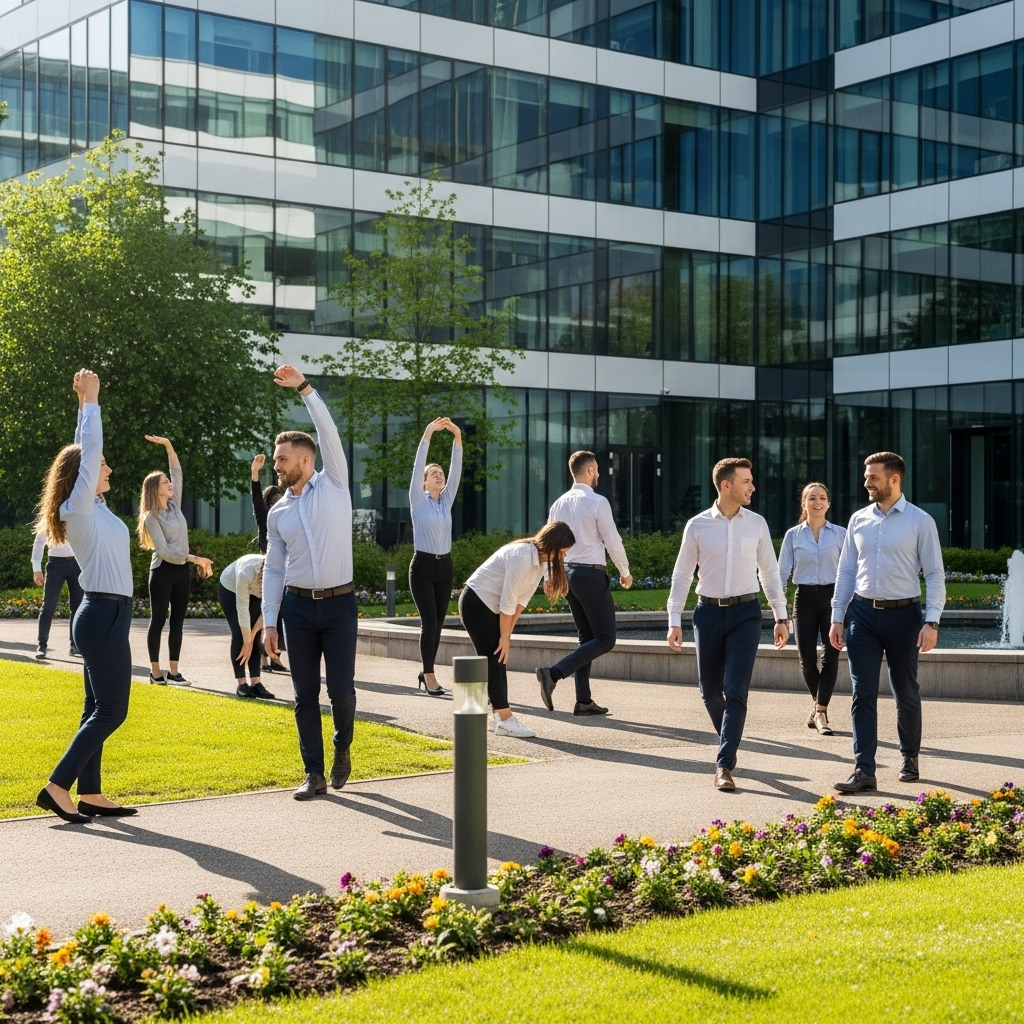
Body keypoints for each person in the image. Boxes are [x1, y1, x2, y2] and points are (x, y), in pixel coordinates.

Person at [35, 370, 137, 823]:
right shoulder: (76, 507)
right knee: (113, 710)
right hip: (102, 615)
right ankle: (58, 785)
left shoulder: (94, 506)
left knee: (97, 707)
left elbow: (83, 450)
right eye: (103, 466)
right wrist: (92, 400)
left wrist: (82, 407)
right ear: (83, 478)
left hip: (107, 613)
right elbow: (88, 451)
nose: (109, 469)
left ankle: (91, 793)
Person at [262, 365, 358, 801]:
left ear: (305, 460)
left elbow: (328, 429)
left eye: (281, 458)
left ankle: (342, 749)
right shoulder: (277, 512)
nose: (276, 465)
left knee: (340, 690)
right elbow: (274, 569)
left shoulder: (335, 483)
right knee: (304, 695)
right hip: (297, 609)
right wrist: (268, 622)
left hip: (339, 607)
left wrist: (304, 388)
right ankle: (313, 773)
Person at [666, 458, 789, 792]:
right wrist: (674, 618)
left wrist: (781, 615)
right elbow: (681, 574)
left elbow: (770, 572)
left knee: (736, 691)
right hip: (707, 613)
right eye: (747, 481)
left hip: (746, 614)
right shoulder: (697, 525)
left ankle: (724, 764)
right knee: (709, 691)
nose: (752, 487)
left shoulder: (757, 524)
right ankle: (729, 741)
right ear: (726, 485)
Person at [829, 452, 945, 793]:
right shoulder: (858, 520)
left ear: (894, 479)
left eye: (873, 477)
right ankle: (864, 768)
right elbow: (847, 570)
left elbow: (935, 574)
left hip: (904, 617)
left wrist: (932, 622)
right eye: (866, 476)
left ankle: (909, 756)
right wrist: (838, 616)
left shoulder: (920, 521)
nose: (866, 482)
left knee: (905, 691)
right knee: (862, 692)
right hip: (862, 615)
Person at [535, 451, 633, 716]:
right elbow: (613, 540)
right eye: (597, 470)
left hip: (566, 575)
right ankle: (553, 674)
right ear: (589, 471)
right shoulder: (597, 502)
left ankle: (584, 700)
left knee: (587, 637)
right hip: (589, 574)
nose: (598, 474)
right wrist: (625, 570)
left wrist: (548, 577)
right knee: (605, 638)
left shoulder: (558, 504)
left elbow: (547, 543)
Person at [458, 521, 576, 738]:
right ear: (553, 544)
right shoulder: (522, 556)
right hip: (477, 603)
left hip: (491, 607)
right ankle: (505, 718)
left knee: (497, 659)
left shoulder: (538, 563)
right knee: (495, 659)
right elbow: (508, 601)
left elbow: (521, 602)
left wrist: (507, 635)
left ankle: (499, 716)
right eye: (563, 551)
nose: (564, 557)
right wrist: (503, 637)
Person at [137, 436, 213, 684]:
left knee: (178, 621)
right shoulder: (151, 516)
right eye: (165, 482)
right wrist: (195, 558)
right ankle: (155, 672)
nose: (170, 484)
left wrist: (169, 445)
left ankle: (174, 671)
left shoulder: (175, 505)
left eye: (168, 481)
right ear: (154, 488)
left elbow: (177, 472)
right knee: (158, 620)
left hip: (181, 571)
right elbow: (165, 550)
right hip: (162, 571)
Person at [778, 482, 846, 736]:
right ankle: (819, 706)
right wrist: (779, 610)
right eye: (812, 498)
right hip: (803, 599)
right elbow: (781, 572)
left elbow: (850, 570)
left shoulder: (841, 534)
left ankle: (820, 712)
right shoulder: (793, 535)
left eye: (823, 498)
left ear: (828, 503)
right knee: (807, 661)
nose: (818, 502)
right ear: (804, 503)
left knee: (831, 656)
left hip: (834, 598)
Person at [408, 416, 463, 697]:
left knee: (439, 623)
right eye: (434, 474)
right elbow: (419, 463)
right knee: (429, 623)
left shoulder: (447, 499)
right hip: (423, 567)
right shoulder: (418, 500)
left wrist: (457, 436)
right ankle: (429, 674)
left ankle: (425, 669)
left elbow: (457, 469)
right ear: (424, 482)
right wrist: (429, 432)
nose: (440, 475)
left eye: (441, 473)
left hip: (445, 567)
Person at [218, 553, 275, 700]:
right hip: (230, 589)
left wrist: (253, 633)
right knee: (239, 634)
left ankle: (256, 683)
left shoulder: (278, 579)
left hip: (253, 592)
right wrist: (246, 642)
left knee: (253, 636)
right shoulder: (246, 572)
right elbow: (242, 610)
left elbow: (270, 610)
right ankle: (242, 684)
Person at [250, 453, 286, 674]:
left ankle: (274, 657)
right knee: (266, 611)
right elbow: (255, 497)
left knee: (279, 614)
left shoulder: (287, 513)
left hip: (285, 568)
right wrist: (255, 473)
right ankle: (264, 659)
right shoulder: (265, 516)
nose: (278, 502)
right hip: (267, 567)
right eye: (274, 499)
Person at [31, 529, 83, 660]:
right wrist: (36, 569)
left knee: (77, 607)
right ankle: (42, 646)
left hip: (77, 563)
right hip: (55, 564)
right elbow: (39, 543)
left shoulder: (75, 515)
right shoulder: (50, 519)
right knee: (49, 606)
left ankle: (75, 645)